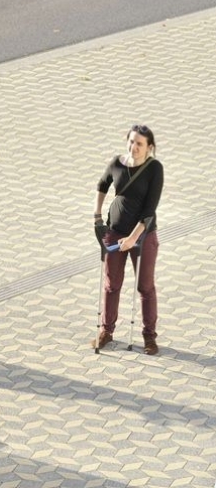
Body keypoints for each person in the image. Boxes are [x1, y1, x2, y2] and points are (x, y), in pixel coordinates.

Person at [92, 124, 164, 355]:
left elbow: (149, 210)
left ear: (149, 147)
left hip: (143, 236)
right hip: (114, 231)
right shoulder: (117, 163)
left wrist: (133, 238)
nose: (134, 147)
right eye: (131, 141)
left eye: (139, 143)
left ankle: (149, 337)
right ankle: (106, 331)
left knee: (145, 287)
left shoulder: (154, 169)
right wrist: (97, 217)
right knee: (112, 285)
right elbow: (102, 185)